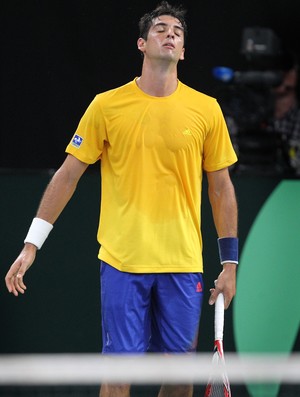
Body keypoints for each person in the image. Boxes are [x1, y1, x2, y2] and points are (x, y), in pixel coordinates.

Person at [5, 2, 238, 397]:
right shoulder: (106, 106)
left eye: (178, 32)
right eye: (161, 28)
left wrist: (229, 263)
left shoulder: (206, 110)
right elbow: (67, 176)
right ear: (142, 44)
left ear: (183, 51)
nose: (171, 34)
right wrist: (32, 243)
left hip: (181, 263)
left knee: (181, 380)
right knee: (117, 379)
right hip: (122, 262)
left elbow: (221, 188)